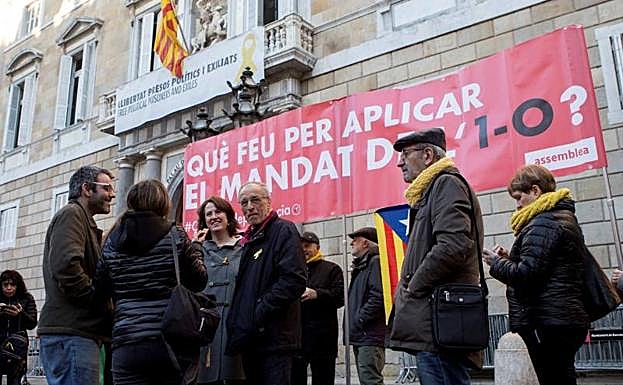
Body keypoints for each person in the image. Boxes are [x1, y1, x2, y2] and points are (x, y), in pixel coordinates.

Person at [389, 127, 484, 385]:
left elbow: (453, 245)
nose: (400, 162)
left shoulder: (446, 184)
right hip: (435, 319)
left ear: (428, 155)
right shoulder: (432, 190)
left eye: (406, 154)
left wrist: (413, 286)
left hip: (439, 320)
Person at [483, 164, 590, 385]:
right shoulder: (560, 218)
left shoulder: (543, 222)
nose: (517, 204)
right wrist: (510, 259)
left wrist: (497, 263)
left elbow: (527, 275)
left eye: (519, 196)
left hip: (548, 319)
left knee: (553, 378)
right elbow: (543, 268)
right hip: (561, 317)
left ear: (535, 191)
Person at [96, 179, 208, 385]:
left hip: (126, 340)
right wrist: (198, 249)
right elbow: (199, 281)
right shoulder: (175, 234)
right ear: (163, 202)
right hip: (169, 340)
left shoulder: (111, 240)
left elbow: (101, 289)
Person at [39, 165, 115, 385]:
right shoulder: (72, 215)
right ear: (86, 189)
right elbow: (66, 267)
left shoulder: (80, 218)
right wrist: (96, 301)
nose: (111, 194)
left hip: (78, 331)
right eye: (106, 188)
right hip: (72, 331)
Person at [226, 182, 307, 385]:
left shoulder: (283, 230)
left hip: (275, 340)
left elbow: (293, 280)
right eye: (244, 202)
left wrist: (258, 312)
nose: (250, 206)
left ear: (268, 202)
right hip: (252, 339)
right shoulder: (249, 239)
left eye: (255, 200)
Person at [195, 196, 245, 385]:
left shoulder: (245, 248)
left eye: (218, 212)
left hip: (235, 324)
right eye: (209, 214)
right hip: (205, 327)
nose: (214, 217)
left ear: (229, 216)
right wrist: (194, 248)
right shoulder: (197, 249)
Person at [292, 231, 344, 385]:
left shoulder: (332, 269)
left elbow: (340, 298)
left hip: (323, 341)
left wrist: (318, 294)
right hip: (297, 340)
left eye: (307, 246)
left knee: (323, 379)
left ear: (318, 247)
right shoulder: (292, 271)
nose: (303, 250)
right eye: (299, 247)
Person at [346, 227, 386, 385]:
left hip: (369, 334)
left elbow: (378, 296)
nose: (351, 243)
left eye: (355, 239)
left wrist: (359, 319)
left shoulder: (374, 262)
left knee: (370, 380)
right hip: (363, 335)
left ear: (365, 243)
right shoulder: (363, 265)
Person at [0, 270, 37, 385]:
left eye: (12, 284)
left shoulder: (27, 298)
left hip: (17, 347)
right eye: (5, 285)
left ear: (18, 285)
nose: (9, 288)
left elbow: (32, 323)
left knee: (16, 380)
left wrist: (20, 314)